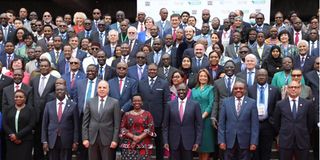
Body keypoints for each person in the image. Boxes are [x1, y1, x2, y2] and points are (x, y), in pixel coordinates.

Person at [273, 81, 314, 160]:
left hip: (302, 141)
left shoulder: (307, 104)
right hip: (285, 141)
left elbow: (310, 123)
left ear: (300, 89)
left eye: (296, 87)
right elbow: (276, 123)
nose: (293, 89)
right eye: (291, 87)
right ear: (287, 89)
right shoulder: (280, 104)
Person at [218, 81, 259, 160]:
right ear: (233, 90)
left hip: (245, 141)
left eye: (241, 88)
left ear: (245, 90)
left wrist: (253, 142)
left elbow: (255, 125)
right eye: (236, 88)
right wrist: (221, 141)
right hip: (229, 141)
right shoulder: (226, 102)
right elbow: (221, 124)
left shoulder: (252, 103)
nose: (238, 90)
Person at [138, 63, 170, 160]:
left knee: (159, 145)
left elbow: (166, 103)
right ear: (147, 70)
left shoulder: (164, 83)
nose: (152, 71)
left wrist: (165, 119)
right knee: (143, 145)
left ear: (157, 71)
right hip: (143, 121)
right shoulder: (141, 83)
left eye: (154, 70)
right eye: (150, 69)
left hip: (158, 120)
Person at [82, 80, 121, 160]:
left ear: (108, 89)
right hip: (92, 138)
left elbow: (117, 124)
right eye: (100, 87)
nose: (102, 89)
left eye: (104, 87)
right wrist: (85, 138)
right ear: (97, 89)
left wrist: (115, 140)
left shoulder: (114, 102)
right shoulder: (90, 101)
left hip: (108, 139)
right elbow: (85, 122)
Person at [247, 69, 281, 160]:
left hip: (268, 124)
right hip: (253, 124)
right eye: (259, 75)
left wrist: (273, 122)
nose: (261, 77)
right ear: (256, 77)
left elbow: (277, 108)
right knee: (254, 152)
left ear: (267, 77)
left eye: (264, 75)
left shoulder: (274, 90)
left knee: (266, 151)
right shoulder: (250, 89)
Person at [163, 83, 202, 160]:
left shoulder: (195, 104)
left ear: (187, 91)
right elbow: (165, 125)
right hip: (173, 141)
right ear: (176, 91)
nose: (181, 91)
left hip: (189, 141)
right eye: (179, 90)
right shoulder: (169, 104)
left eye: (183, 90)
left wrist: (197, 142)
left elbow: (199, 125)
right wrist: (165, 141)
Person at [41, 85, 79, 160]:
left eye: (61, 90)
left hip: (67, 140)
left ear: (65, 91)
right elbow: (44, 124)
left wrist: (75, 141)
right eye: (57, 90)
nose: (59, 91)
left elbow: (76, 126)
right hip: (52, 139)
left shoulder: (73, 105)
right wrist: (44, 141)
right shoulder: (49, 105)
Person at [119, 94, 156, 159]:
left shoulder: (147, 114)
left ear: (142, 102)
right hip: (129, 146)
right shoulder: (126, 114)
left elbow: (151, 128)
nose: (137, 102)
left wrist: (138, 138)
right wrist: (133, 137)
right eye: (134, 101)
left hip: (144, 146)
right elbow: (122, 128)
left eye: (139, 100)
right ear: (131, 102)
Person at [2, 90, 36, 160]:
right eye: (16, 97)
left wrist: (17, 136)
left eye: (21, 97)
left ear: (25, 99)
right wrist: (12, 136)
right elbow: (4, 124)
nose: (18, 98)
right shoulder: (8, 109)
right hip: (11, 140)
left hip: (25, 141)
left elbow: (31, 124)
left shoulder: (30, 109)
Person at [191, 69, 215, 160]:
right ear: (198, 77)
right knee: (199, 146)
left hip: (206, 121)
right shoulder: (194, 90)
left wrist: (202, 116)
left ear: (208, 78)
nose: (203, 78)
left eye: (205, 76)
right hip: (195, 120)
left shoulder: (211, 88)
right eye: (201, 76)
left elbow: (211, 104)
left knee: (206, 146)